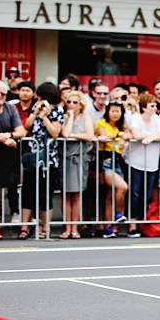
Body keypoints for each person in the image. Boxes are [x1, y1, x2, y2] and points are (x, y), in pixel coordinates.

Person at [20, 82, 64, 240]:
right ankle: (24, 227)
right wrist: (36, 112)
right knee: (28, 191)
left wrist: (45, 116)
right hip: (33, 155)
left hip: (50, 158)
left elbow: (55, 133)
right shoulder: (35, 107)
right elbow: (27, 125)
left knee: (46, 193)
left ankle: (45, 228)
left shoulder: (58, 110)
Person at [126, 94, 160, 238]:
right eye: (152, 105)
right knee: (135, 193)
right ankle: (132, 223)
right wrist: (148, 136)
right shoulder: (136, 117)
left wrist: (151, 137)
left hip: (152, 163)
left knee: (147, 194)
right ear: (144, 107)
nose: (155, 108)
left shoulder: (157, 119)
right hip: (136, 162)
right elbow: (136, 134)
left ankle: (143, 223)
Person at [60, 91, 94, 239]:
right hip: (66, 158)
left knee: (77, 194)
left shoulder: (86, 116)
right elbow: (65, 133)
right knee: (66, 195)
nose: (72, 105)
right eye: (69, 102)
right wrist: (71, 117)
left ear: (81, 104)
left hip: (79, 158)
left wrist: (75, 136)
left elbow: (89, 135)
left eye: (75, 102)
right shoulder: (65, 117)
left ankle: (75, 228)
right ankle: (67, 228)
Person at [96, 101, 129, 238]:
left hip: (118, 160)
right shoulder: (101, 123)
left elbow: (129, 135)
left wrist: (124, 136)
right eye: (112, 111)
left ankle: (109, 227)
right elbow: (103, 136)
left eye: (118, 111)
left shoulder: (122, 126)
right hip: (106, 160)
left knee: (111, 195)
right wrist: (117, 137)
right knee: (122, 187)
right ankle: (119, 214)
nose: (115, 114)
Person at [0, 80, 26, 238]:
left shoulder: (10, 108)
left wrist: (9, 136)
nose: (0, 96)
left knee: (13, 185)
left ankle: (14, 215)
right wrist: (0, 138)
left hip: (9, 156)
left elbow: (21, 130)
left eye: (3, 94)